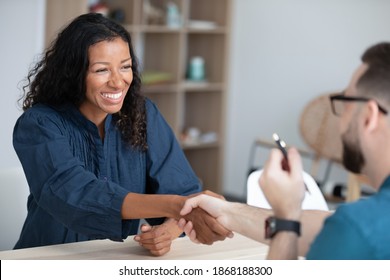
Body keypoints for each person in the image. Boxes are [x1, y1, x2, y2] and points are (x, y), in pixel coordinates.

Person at [13, 13, 231, 256]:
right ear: (73, 73)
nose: (118, 82)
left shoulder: (143, 113)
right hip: (46, 258)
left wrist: (168, 230)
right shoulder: (39, 125)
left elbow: (183, 188)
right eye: (101, 70)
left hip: (118, 259)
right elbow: (75, 193)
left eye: (125, 67)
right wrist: (177, 207)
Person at [179, 42, 390, 259]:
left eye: (345, 103)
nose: (340, 120)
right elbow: (324, 228)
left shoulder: (360, 231)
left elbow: (343, 231)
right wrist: (228, 213)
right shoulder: (360, 225)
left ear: (369, 116)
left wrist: (287, 212)